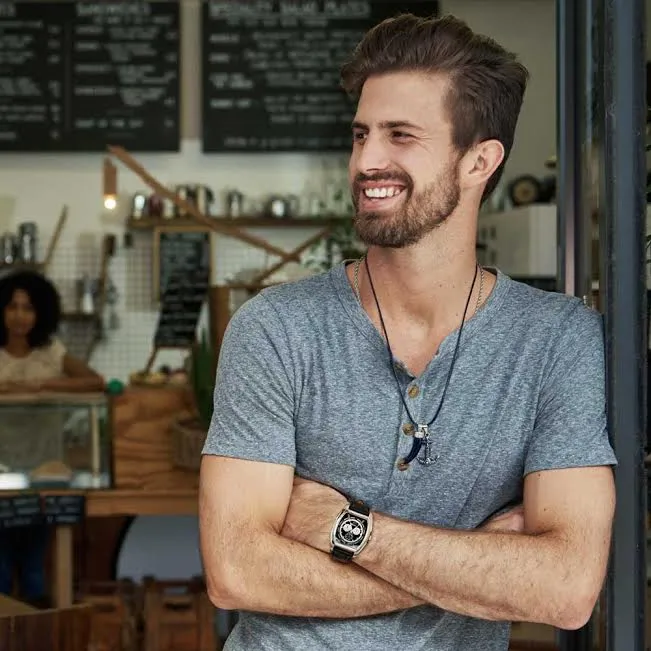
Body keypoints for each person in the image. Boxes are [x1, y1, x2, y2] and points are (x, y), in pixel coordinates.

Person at [199, 13, 616, 651]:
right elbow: (235, 573)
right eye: (361, 134)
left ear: (479, 161)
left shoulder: (557, 342)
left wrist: (350, 531)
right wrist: (481, 567)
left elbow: (565, 590)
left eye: (400, 135)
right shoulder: (275, 329)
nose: (367, 161)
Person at [0, 269, 105, 605]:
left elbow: (94, 382)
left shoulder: (52, 351)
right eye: (12, 306)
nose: (19, 316)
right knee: (0, 569)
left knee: (34, 569)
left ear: (41, 312)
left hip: (46, 471)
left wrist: (41, 386)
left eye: (28, 307)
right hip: (1, 472)